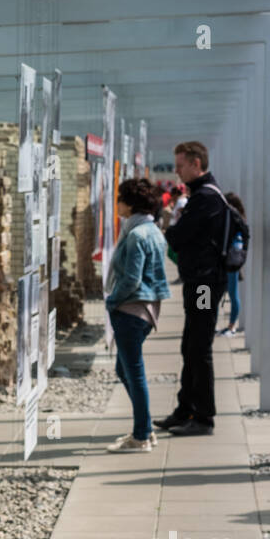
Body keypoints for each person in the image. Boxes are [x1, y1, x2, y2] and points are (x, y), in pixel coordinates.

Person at [159, 141, 231, 436]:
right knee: (190, 345)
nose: (176, 172)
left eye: (180, 166)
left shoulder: (205, 199)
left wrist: (174, 231)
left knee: (199, 347)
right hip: (199, 281)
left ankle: (204, 416)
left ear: (197, 163)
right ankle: (185, 408)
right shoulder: (201, 195)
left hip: (204, 285)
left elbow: (177, 236)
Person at [104, 178, 171, 453]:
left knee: (134, 371)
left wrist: (112, 301)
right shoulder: (152, 230)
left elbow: (131, 279)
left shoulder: (135, 234)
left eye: (120, 198)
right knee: (125, 369)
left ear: (130, 204)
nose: (117, 203)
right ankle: (145, 428)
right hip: (147, 308)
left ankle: (141, 436)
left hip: (131, 309)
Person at [218, 192, 248, 336]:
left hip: (230, 260)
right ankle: (229, 325)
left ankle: (231, 326)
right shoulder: (238, 218)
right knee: (227, 292)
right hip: (231, 259)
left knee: (232, 292)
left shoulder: (233, 219)